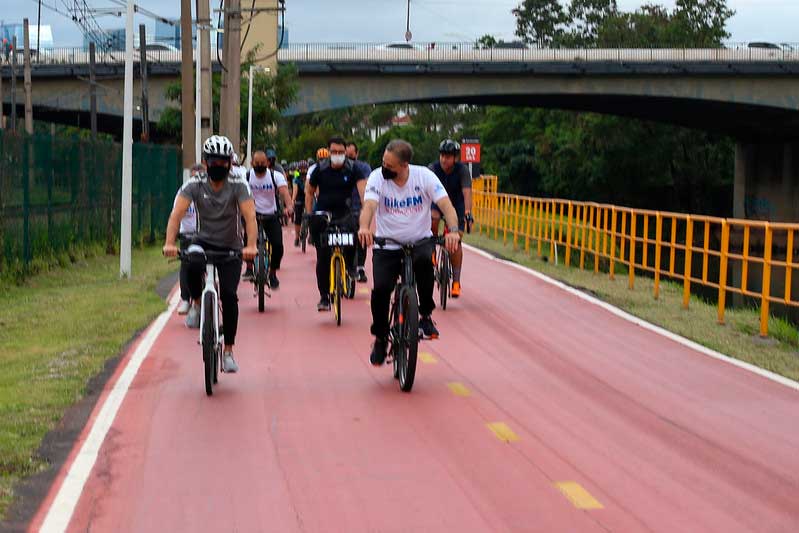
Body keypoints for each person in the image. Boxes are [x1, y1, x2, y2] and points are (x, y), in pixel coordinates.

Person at [358, 139, 460, 366]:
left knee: (426, 263)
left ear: (405, 166)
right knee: (382, 289)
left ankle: (424, 316)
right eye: (384, 162)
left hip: (419, 240)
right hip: (388, 244)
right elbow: (370, 207)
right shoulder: (377, 178)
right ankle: (381, 337)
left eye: (390, 165)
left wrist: (453, 230)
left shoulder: (424, 176)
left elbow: (447, 206)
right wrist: (364, 227)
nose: (385, 168)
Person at [163, 135, 257, 374]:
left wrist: (251, 245)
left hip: (231, 246)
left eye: (223, 161)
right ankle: (195, 301)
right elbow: (177, 214)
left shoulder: (239, 184)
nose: (218, 166)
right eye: (213, 161)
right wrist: (169, 242)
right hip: (203, 241)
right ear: (205, 162)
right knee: (191, 262)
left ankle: (228, 351)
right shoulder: (194, 184)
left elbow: (249, 217)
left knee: (228, 294)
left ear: (230, 163)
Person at [306, 137, 367, 311]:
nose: (338, 155)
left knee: (354, 236)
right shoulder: (320, 169)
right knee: (323, 256)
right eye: (334, 152)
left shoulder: (353, 169)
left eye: (341, 152)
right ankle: (324, 296)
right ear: (329, 151)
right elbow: (309, 192)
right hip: (324, 214)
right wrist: (309, 214)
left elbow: (364, 192)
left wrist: (364, 211)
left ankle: (351, 267)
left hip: (345, 213)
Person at [242, 150, 293, 288]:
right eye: (257, 163)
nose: (259, 165)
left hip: (271, 214)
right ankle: (249, 268)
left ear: (268, 163)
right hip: (252, 216)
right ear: (252, 163)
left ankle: (272, 273)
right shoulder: (245, 176)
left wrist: (289, 207)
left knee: (278, 246)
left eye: (262, 163)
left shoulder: (275, 176)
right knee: (248, 243)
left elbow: (284, 193)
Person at [429, 139, 472, 298]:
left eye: (448, 156)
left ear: (455, 158)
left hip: (457, 206)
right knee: (433, 217)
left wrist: (468, 212)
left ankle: (456, 282)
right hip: (437, 204)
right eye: (442, 155)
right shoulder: (432, 168)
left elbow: (467, 192)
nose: (444, 159)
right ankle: (432, 249)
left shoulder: (462, 171)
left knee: (455, 244)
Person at [174, 163, 204, 315]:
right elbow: (175, 216)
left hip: (206, 235)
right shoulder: (183, 193)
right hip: (188, 235)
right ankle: (185, 299)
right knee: (186, 264)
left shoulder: (211, 191)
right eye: (193, 178)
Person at [346, 141, 372, 283]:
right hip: (342, 208)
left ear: (357, 154)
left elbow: (368, 186)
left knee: (362, 237)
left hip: (359, 207)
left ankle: (360, 268)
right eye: (347, 156)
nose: (349, 158)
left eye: (352, 155)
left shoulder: (364, 168)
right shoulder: (339, 168)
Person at [291, 159, 309, 247]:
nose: (303, 171)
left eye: (305, 169)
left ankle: (311, 235)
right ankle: (297, 237)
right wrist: (293, 201)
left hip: (308, 196)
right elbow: (295, 190)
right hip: (299, 197)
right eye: (301, 169)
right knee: (298, 217)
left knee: (312, 215)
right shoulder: (296, 178)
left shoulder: (310, 177)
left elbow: (310, 190)